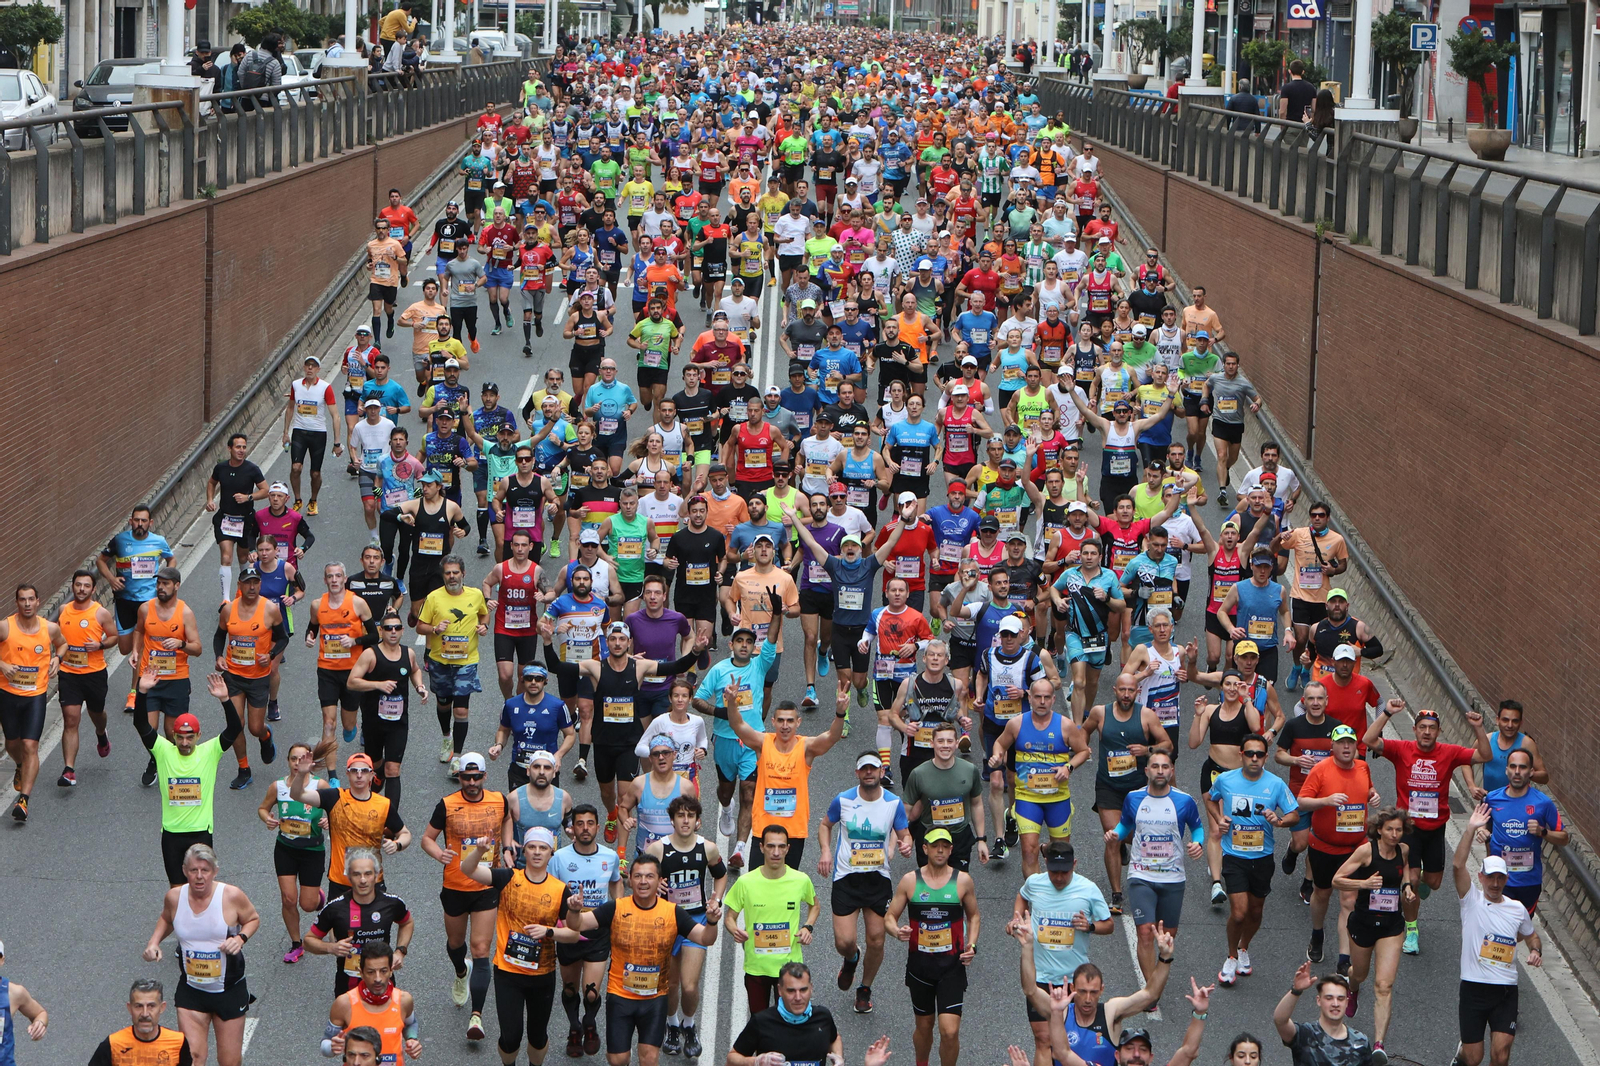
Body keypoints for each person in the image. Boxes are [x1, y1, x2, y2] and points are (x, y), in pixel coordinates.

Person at [565, 853, 718, 1066]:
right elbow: (577, 924)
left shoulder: (673, 912)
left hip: (655, 998)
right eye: (637, 876)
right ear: (631, 880)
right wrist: (573, 909)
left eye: (649, 876)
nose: (643, 881)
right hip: (620, 996)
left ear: (660, 881)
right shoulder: (616, 907)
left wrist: (711, 922)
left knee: (649, 1058)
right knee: (618, 1059)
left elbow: (705, 938)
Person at [1363, 700, 1490, 954]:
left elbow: (1484, 756)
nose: (1427, 732)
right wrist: (1387, 712)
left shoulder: (1449, 752)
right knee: (1409, 880)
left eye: (1432, 728)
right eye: (1422, 727)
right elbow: (1369, 739)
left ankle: (1418, 880)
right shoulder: (1402, 749)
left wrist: (1478, 728)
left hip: (1435, 828)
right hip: (1407, 828)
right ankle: (1411, 929)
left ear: (1438, 732)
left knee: (1432, 882)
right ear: (1414, 729)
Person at [457, 827, 568, 1066]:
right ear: (524, 851)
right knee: (511, 1037)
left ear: (551, 853)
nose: (537, 853)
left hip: (543, 974)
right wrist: (479, 852)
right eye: (532, 847)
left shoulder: (560, 890)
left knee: (537, 1038)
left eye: (543, 848)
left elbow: (573, 933)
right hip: (509, 972)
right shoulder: (508, 877)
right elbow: (467, 870)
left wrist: (549, 932)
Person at [142, 843, 260, 1066]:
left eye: (205, 870)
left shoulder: (231, 896)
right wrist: (154, 941)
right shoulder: (175, 897)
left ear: (214, 872)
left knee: (229, 1062)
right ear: (185, 871)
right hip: (192, 990)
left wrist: (240, 939)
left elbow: (253, 919)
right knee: (193, 1058)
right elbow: (167, 918)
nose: (199, 876)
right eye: (194, 870)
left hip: (229, 990)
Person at [419, 751, 507, 1042]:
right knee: (456, 944)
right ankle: (460, 971)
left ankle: (476, 1016)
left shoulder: (498, 800)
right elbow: (426, 838)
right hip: (456, 885)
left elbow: (506, 819)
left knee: (481, 948)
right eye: (466, 777)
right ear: (459, 778)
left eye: (476, 777)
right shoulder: (446, 805)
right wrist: (438, 854)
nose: (471, 782)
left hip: (486, 887)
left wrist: (507, 846)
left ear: (484, 776)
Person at [818, 751, 912, 1015]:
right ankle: (851, 958)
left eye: (874, 769)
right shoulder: (844, 800)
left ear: (882, 773)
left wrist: (905, 846)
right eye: (864, 769)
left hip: (877, 880)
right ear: (857, 773)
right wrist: (826, 851)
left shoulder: (893, 803)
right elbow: (825, 825)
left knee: (877, 939)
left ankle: (865, 988)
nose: (869, 773)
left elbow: (905, 834)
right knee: (844, 941)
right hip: (846, 878)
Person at [132, 670, 244, 886]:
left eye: (189, 738)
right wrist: (142, 692)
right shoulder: (163, 750)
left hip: (201, 833)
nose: (184, 743)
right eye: (180, 738)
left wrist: (225, 699)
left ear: (198, 736)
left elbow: (235, 728)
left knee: (201, 889)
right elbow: (141, 725)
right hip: (172, 834)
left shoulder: (210, 751)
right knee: (177, 891)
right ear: (173, 736)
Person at [1206, 732, 1299, 986]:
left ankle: (1244, 947)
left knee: (1256, 911)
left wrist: (1278, 821)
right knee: (1238, 913)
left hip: (1263, 857)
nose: (1254, 759)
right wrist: (1219, 819)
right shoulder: (1226, 780)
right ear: (1241, 755)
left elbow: (1294, 814)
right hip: (1234, 855)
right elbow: (1210, 799)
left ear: (1266, 757)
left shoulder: (1276, 784)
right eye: (1249, 754)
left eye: (1259, 754)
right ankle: (1231, 956)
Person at [1109, 750, 1204, 994]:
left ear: (1171, 771)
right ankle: (1151, 992)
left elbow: (1197, 828)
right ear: (1147, 771)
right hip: (1142, 876)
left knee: (1168, 936)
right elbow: (1125, 824)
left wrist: (1197, 844)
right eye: (1155, 766)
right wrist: (1115, 835)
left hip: (1173, 877)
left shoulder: (1184, 800)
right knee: (1145, 932)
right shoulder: (1133, 798)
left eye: (1165, 767)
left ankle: (1157, 975)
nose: (1160, 771)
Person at [884, 827, 980, 1066]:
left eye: (945, 846)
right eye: (935, 846)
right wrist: (897, 931)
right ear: (925, 848)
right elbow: (889, 917)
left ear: (951, 850)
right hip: (921, 967)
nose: (940, 850)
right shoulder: (910, 881)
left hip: (951, 967)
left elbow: (974, 916)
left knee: (949, 1031)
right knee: (924, 1027)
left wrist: (972, 945)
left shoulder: (962, 881)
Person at [1454, 803, 1541, 1066]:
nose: (1494, 884)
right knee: (1474, 1057)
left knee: (1501, 1054)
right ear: (1480, 877)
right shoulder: (1471, 901)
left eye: (1499, 879)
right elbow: (1458, 866)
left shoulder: (1517, 909)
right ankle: (1461, 1057)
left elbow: (1531, 935)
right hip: (1473, 988)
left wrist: (1536, 950)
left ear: (1506, 879)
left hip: (1505, 990)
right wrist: (1470, 829)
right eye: (1490, 878)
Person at [1010, 845, 1114, 1066]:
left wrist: (1091, 926)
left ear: (1074, 865)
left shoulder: (1088, 889)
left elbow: (1109, 925)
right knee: (1043, 1039)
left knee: (1065, 1044)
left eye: (1064, 872)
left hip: (1072, 981)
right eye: (1053, 871)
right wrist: (1016, 919)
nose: (1058, 877)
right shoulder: (1035, 883)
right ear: (1046, 864)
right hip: (1040, 977)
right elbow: (1022, 895)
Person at [1329, 806, 1416, 1062]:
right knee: (1361, 973)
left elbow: (1406, 870)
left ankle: (1378, 1044)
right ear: (1379, 830)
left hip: (1391, 926)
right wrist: (1363, 884)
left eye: (1399, 830)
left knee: (1384, 985)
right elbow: (1337, 879)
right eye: (1389, 829)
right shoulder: (1366, 851)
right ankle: (1352, 987)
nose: (1394, 834)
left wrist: (1408, 887)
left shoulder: (1403, 850)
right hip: (1364, 923)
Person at [643, 794, 726, 1057]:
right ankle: (672, 1025)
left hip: (695, 921)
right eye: (681, 815)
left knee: (690, 985)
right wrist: (655, 885)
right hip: (666, 920)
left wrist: (716, 898)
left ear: (698, 821)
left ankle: (689, 1026)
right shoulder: (657, 849)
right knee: (671, 984)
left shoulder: (708, 848)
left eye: (691, 816)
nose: (686, 820)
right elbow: (641, 878)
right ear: (672, 820)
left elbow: (721, 875)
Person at [1082, 674, 1172, 914]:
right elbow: (1084, 731)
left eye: (1130, 690)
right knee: (1113, 837)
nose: (1125, 695)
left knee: (1139, 836)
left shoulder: (1146, 716)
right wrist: (1083, 748)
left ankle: (1138, 864)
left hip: (1139, 789)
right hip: (1108, 787)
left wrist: (1147, 749)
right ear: (1114, 689)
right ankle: (1117, 894)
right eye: (1122, 689)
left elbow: (1168, 744)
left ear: (1137, 691)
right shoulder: (1100, 713)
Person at [987, 677, 1091, 876]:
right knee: (1028, 850)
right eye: (1037, 697)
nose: (1042, 702)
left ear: (1053, 699)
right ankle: (1034, 899)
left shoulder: (1066, 725)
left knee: (1060, 852)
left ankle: (1056, 891)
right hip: (1027, 797)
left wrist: (1068, 767)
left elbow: (1083, 751)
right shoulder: (1016, 724)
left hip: (1057, 798)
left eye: (1046, 697)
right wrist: (997, 755)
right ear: (1030, 698)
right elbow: (1000, 743)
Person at [1298, 724, 1381, 969]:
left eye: (1350, 742)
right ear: (1332, 746)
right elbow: (1302, 801)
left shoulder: (1364, 767)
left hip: (1355, 848)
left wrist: (1373, 795)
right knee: (1322, 894)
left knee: (1349, 901)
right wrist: (1326, 800)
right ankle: (1317, 933)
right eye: (1341, 742)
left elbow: (1368, 790)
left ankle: (1344, 959)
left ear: (1356, 746)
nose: (1346, 747)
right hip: (1324, 847)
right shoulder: (1321, 770)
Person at [724, 823, 821, 1013]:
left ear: (787, 849)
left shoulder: (801, 880)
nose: (776, 852)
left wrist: (807, 927)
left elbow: (815, 905)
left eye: (781, 846)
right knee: (759, 1022)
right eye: (770, 846)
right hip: (757, 967)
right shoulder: (746, 882)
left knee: (789, 1021)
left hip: (789, 968)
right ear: (761, 848)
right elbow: (729, 917)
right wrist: (735, 930)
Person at [303, 847, 413, 1000]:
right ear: (348, 877)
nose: (362, 880)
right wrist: (331, 947)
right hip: (348, 987)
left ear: (376, 875)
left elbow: (407, 922)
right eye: (356, 874)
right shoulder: (335, 908)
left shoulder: (392, 903)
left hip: (382, 984)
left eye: (368, 874)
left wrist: (400, 951)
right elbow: (308, 941)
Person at [258, 741, 330, 965]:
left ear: (310, 761)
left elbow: (336, 807)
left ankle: (317, 897)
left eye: (302, 758)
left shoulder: (320, 785)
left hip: (313, 850)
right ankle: (297, 944)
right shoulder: (278, 786)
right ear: (288, 762)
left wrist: (329, 819)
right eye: (293, 759)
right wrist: (268, 819)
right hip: (286, 848)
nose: (297, 763)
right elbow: (263, 808)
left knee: (307, 905)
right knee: (289, 899)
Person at [0, 584, 64, 819]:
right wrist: (2, 664)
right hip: (7, 694)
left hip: (35, 695)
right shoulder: (5, 627)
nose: (27, 604)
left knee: (30, 746)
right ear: (16, 603)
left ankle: (23, 801)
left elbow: (63, 643)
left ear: (38, 601)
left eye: (30, 599)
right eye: (22, 600)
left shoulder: (49, 628)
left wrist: (58, 657)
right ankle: (19, 764)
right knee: (12, 743)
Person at [1481, 747, 1566, 914]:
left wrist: (1543, 832)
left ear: (1531, 771)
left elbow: (1564, 837)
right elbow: (1483, 823)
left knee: (1519, 932)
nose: (1517, 772)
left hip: (1528, 882)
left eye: (1523, 767)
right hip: (1498, 879)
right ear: (1506, 770)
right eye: (1513, 767)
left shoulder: (1543, 803)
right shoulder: (1492, 799)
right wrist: (1482, 831)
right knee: (1499, 929)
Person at [324, 942, 420, 1061]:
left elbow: (410, 1023)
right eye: (371, 972)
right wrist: (332, 1048)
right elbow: (325, 1044)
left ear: (391, 971)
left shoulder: (403, 1000)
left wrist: (412, 1039)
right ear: (361, 972)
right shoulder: (344, 1004)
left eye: (383, 971)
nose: (378, 978)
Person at [1272, 964, 1373, 1066]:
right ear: (1319, 1000)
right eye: (1329, 998)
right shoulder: (1305, 1034)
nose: (1335, 1004)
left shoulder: (1361, 1042)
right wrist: (1295, 991)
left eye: (1340, 998)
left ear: (1347, 1002)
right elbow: (1280, 1020)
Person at [88, 978, 185, 1066]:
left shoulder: (178, 1043)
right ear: (129, 1008)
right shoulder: (113, 1044)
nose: (145, 1014)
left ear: (162, 1007)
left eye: (151, 1006)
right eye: (138, 1006)